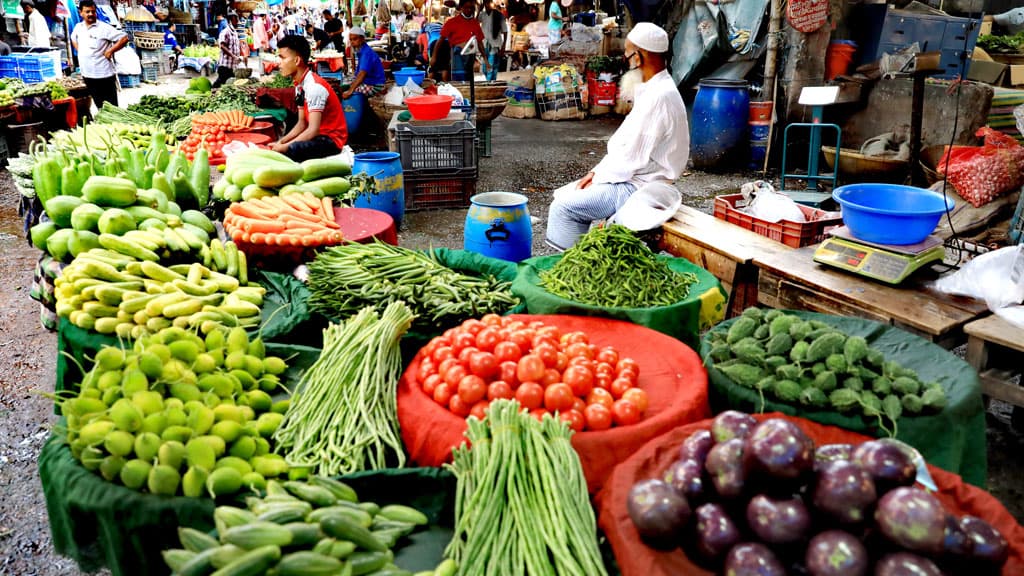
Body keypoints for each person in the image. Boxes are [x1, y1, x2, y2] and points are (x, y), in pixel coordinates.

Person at [545, 23, 689, 251]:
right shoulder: (656, 89)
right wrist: (595, 172)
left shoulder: (659, 97)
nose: (626, 59)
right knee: (572, 192)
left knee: (564, 207)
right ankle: (581, 261)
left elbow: (629, 158)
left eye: (627, 54)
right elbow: (628, 149)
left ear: (639, 57)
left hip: (640, 187)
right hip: (635, 177)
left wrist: (599, 176)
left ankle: (573, 271)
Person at [271, 35, 347, 161]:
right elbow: (301, 123)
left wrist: (286, 147)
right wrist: (281, 142)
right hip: (318, 135)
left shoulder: (314, 87)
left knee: (292, 150)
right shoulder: (300, 85)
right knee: (285, 146)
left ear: (296, 61)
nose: (279, 63)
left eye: (282, 58)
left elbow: (312, 130)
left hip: (331, 140)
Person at [70, 0, 128, 109]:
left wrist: (110, 51)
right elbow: (73, 38)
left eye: (93, 11)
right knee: (99, 105)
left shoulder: (104, 28)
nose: (91, 14)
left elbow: (124, 38)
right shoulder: (78, 27)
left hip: (104, 75)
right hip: (88, 75)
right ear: (80, 13)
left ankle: (113, 125)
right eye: (87, 12)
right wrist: (80, 51)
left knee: (112, 107)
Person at [432, 0, 483, 81]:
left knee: (469, 82)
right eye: (466, 7)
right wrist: (434, 57)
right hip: (456, 56)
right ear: (461, 8)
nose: (469, 10)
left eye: (471, 8)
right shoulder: (451, 22)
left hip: (470, 57)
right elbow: (440, 40)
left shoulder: (475, 23)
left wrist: (485, 60)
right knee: (458, 80)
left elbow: (480, 42)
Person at [342, 27, 385, 98]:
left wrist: (350, 91)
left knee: (351, 90)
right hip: (368, 82)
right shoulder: (362, 51)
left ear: (362, 39)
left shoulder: (366, 53)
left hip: (375, 86)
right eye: (351, 39)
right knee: (345, 84)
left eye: (355, 39)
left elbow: (362, 74)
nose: (352, 42)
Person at [478, 0, 506, 81]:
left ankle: (490, 83)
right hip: (484, 44)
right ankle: (490, 82)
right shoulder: (482, 15)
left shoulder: (498, 15)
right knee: (485, 66)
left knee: (492, 65)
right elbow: (475, 22)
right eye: (485, 3)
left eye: (488, 3)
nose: (487, 5)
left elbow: (505, 31)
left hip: (495, 44)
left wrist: (503, 46)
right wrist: (479, 9)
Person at [213, 11, 242, 88]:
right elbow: (222, 46)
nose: (238, 22)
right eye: (236, 19)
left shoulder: (234, 32)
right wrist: (233, 56)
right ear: (231, 20)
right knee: (220, 83)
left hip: (232, 66)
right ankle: (211, 94)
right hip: (225, 65)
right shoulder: (225, 32)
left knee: (229, 84)